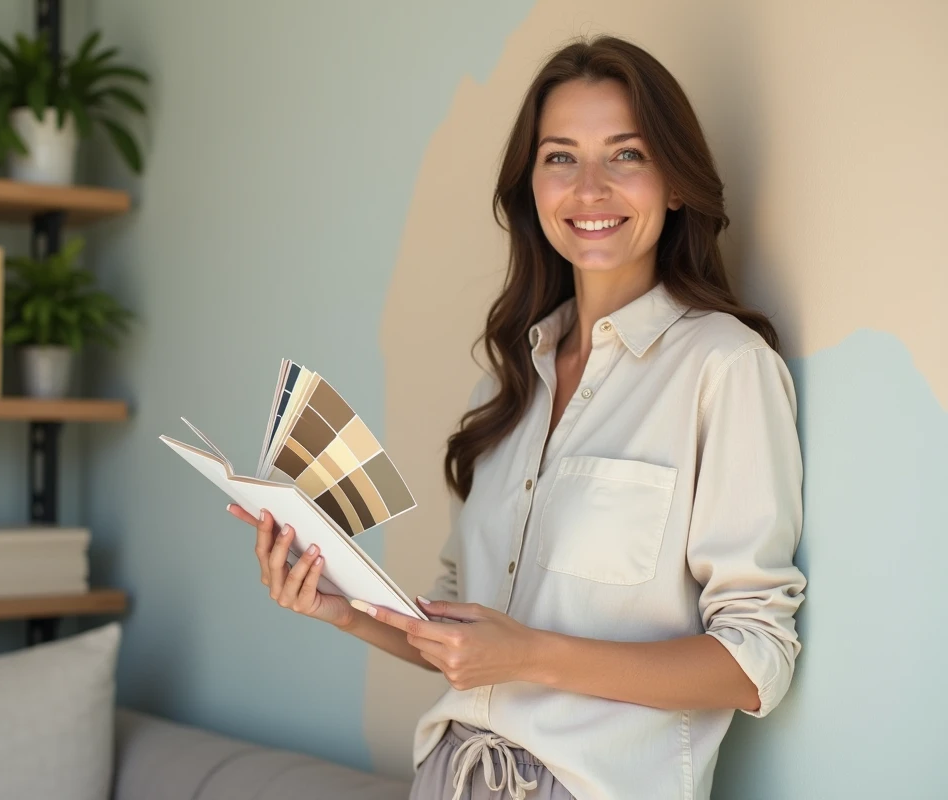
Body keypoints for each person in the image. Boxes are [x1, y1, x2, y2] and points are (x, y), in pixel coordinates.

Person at [228, 33, 805, 800]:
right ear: (531, 188)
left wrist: (531, 655)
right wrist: (344, 609)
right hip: (447, 776)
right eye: (560, 156)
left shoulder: (724, 367)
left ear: (674, 182)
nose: (589, 187)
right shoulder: (506, 387)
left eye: (626, 154)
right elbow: (463, 636)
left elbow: (753, 659)